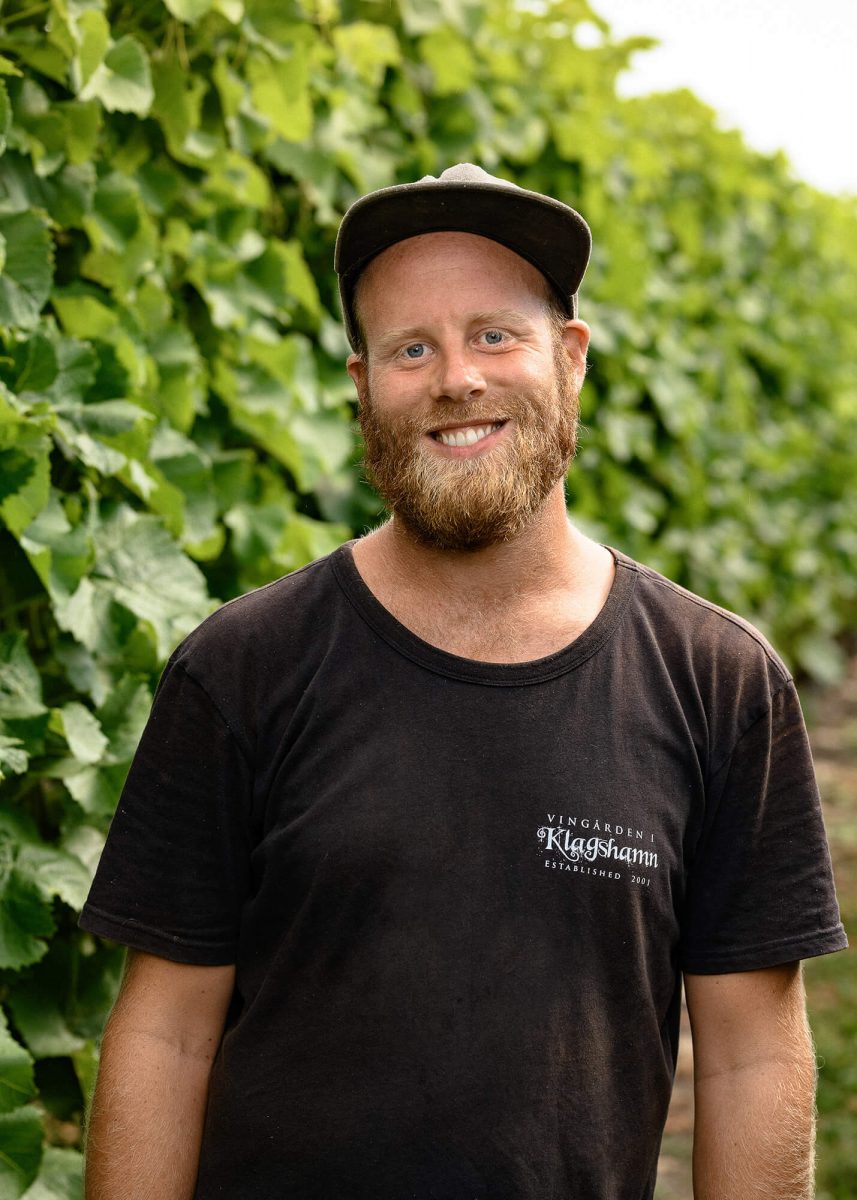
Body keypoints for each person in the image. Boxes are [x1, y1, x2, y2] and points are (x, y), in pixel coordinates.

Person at [80, 164, 847, 1200]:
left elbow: (753, 1054)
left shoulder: (716, 684)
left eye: (495, 334)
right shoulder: (240, 669)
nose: (456, 378)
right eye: (410, 348)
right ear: (361, 386)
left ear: (568, 360)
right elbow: (164, 1037)